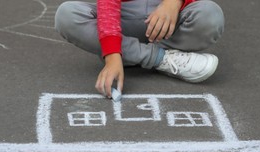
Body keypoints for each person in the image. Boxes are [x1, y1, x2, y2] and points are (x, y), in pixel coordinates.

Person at [55, 0, 224, 98]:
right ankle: (162, 58)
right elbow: (107, 6)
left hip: (169, 22)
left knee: (210, 15)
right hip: (124, 20)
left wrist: (172, 3)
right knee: (67, 15)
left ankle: (133, 54)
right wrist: (113, 56)